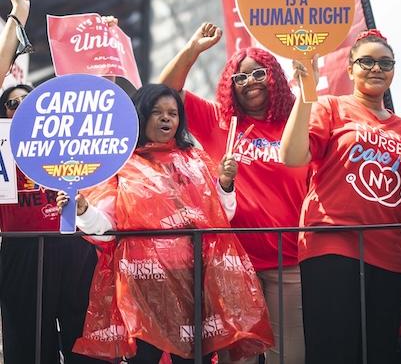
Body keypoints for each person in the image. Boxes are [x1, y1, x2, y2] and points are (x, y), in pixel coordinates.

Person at [57, 84, 273, 363]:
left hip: (195, 279)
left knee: (196, 359)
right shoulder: (120, 164)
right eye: (156, 112)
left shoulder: (194, 159)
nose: (166, 118)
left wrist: (225, 184)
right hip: (144, 283)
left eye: (172, 113)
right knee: (146, 357)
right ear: (140, 115)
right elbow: (107, 230)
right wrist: (84, 210)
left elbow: (222, 215)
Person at [159, 24, 308, 364]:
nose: (250, 82)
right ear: (230, 86)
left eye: (258, 73)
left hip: (289, 260)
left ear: (274, 77)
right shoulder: (218, 121)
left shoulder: (295, 123)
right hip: (232, 261)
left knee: (290, 358)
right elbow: (162, 92)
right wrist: (192, 49)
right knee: (234, 360)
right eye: (240, 78)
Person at [279, 29, 401, 364]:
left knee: (378, 353)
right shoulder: (331, 106)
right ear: (350, 68)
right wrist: (304, 93)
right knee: (332, 351)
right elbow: (292, 156)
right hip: (332, 244)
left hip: (389, 257)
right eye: (366, 61)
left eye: (385, 62)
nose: (376, 68)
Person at [0, 84, 105, 364]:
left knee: (83, 332)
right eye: (13, 104)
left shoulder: (69, 140)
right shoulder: (2, 149)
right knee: (27, 337)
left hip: (72, 244)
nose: (21, 106)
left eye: (29, 100)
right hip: (23, 250)